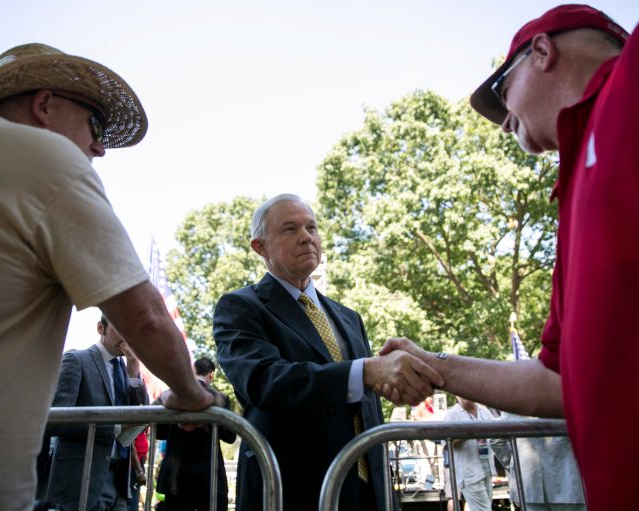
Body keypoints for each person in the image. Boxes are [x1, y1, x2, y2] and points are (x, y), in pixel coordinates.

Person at [378, 2, 639, 510]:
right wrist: (435, 363)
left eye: (502, 92)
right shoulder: (572, 198)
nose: (504, 119)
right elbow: (554, 380)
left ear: (541, 51)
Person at [0, 43, 217, 511]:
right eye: (96, 124)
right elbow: (145, 317)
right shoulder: (44, 156)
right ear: (43, 105)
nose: (100, 147)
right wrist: (191, 393)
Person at [213, 193, 443, 511]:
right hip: (292, 489)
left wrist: (396, 382)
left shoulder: (348, 317)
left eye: (312, 227)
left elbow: (361, 397)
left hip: (366, 491)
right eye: (290, 229)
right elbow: (263, 381)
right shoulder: (240, 307)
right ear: (260, 247)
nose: (307, 237)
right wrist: (366, 371)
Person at [47, 316, 149, 510]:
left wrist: (134, 373)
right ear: (101, 328)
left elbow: (143, 413)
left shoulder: (127, 368)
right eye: (121, 329)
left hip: (119, 481)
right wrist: (113, 427)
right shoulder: (76, 360)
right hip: (81, 478)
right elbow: (55, 420)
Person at [156, 357, 237, 511]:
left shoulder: (171, 396)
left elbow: (160, 432)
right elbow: (230, 437)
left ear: (192, 372)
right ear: (211, 375)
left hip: (176, 477)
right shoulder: (220, 398)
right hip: (209, 477)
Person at [500, 413, 585, 511]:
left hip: (529, 486)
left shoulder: (513, 405)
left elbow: (496, 440)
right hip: (567, 483)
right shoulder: (562, 400)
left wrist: (515, 466)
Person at [443, 398, 500, 511]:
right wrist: (469, 433)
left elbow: (496, 435)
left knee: (485, 507)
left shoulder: (484, 411)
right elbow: (448, 443)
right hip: (469, 473)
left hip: (486, 469)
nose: (465, 397)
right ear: (457, 396)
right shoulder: (452, 414)